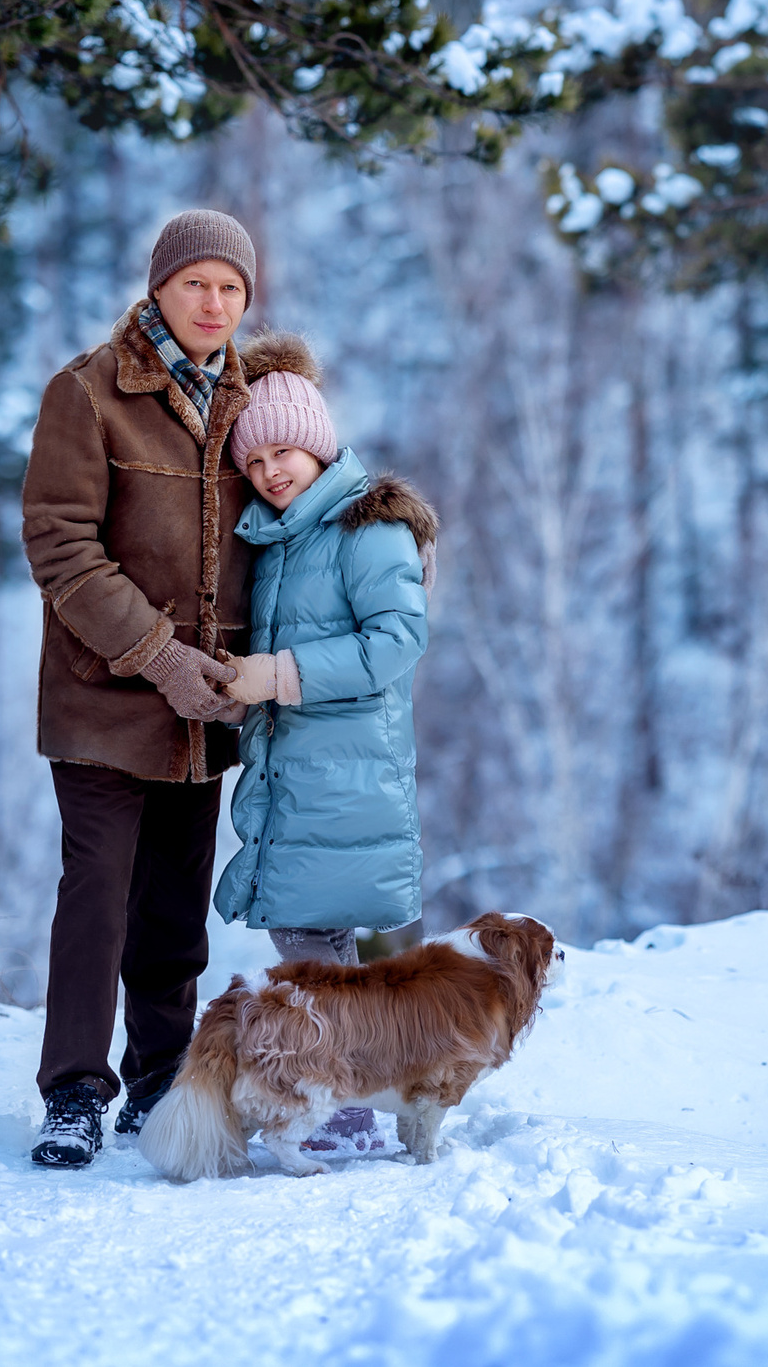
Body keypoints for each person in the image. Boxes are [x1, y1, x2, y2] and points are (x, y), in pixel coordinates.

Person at [19, 208, 309, 1169]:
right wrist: (159, 654)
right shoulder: (88, 391)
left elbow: (302, 496)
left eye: (232, 288)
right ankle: (72, 1092)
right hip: (105, 696)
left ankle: (157, 1078)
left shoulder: (253, 402)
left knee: (175, 908)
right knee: (97, 895)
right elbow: (60, 546)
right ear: (160, 288)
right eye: (197, 283)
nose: (215, 302)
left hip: (208, 712)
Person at [213, 353, 438, 1150]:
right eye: (257, 459)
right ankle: (358, 1102)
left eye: (286, 452)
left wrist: (277, 675)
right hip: (305, 772)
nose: (273, 470)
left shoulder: (362, 530)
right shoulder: (285, 538)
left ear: (320, 446)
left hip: (344, 776)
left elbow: (398, 639)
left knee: (310, 946)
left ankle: (338, 1106)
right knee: (323, 949)